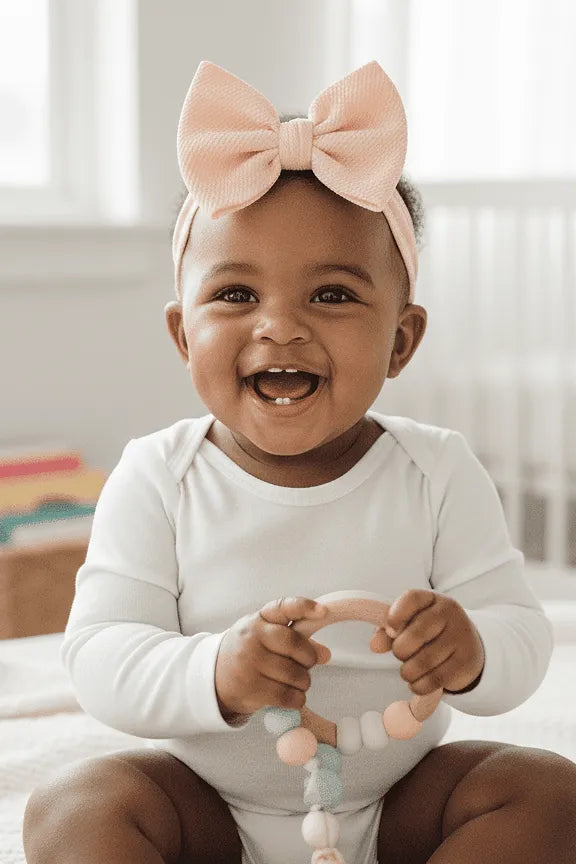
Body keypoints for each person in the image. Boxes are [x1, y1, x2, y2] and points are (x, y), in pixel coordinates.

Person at [23, 60, 576, 864]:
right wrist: (218, 671)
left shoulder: (438, 472)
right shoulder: (158, 477)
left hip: (400, 802)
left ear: (401, 341)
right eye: (237, 296)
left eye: (332, 295)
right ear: (184, 336)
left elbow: (523, 634)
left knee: (551, 796)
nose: (279, 328)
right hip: (206, 804)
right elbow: (103, 655)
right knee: (73, 808)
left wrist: (472, 650)